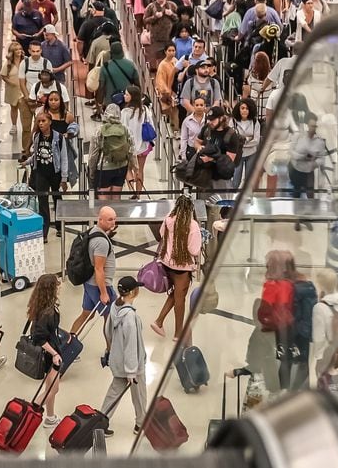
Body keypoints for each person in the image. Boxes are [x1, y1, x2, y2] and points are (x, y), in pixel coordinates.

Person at [101, 277, 148, 436]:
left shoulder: (115, 306)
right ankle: (140, 424)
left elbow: (107, 330)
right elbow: (131, 345)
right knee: (139, 395)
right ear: (134, 292)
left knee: (113, 393)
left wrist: (113, 350)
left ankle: (101, 422)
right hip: (133, 366)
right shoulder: (130, 317)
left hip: (117, 360)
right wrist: (132, 371)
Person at [150, 196, 201, 341]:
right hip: (182, 267)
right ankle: (178, 334)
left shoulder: (168, 220)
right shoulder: (192, 225)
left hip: (167, 263)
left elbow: (161, 234)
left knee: (176, 294)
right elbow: (194, 250)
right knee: (180, 300)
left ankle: (159, 322)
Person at [69, 206, 117, 342]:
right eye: (109, 220)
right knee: (110, 319)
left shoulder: (94, 232)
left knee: (86, 315)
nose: (113, 222)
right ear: (100, 220)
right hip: (100, 285)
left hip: (90, 283)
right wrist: (103, 292)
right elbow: (99, 269)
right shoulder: (101, 242)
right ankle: (111, 352)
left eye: (114, 219)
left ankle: (68, 345)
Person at [21, 112, 69, 242]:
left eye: (43, 121)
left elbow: (64, 158)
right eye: (38, 121)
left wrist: (64, 178)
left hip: (55, 173)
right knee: (42, 202)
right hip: (41, 173)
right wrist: (27, 162)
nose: (40, 123)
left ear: (50, 121)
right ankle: (44, 231)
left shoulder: (58, 138)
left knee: (57, 199)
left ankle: (60, 226)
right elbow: (36, 155)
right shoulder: (37, 136)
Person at [28, 274, 65, 428]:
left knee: (49, 385)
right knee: (53, 389)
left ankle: (50, 417)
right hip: (50, 355)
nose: (60, 286)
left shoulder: (41, 305)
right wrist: (54, 354)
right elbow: (39, 337)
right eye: (58, 285)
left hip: (50, 352)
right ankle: (29, 412)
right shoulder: (48, 312)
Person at [259, 250, 297, 392]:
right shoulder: (290, 284)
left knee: (280, 359)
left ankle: (282, 389)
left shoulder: (271, 286)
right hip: (291, 325)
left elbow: (264, 310)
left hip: (276, 327)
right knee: (288, 359)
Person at [312, 269, 338, 390]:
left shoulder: (319, 307)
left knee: (323, 381)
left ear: (321, 285)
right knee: (335, 374)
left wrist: (318, 355)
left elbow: (318, 336)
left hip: (326, 351)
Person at [89, 104, 137, 200]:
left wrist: (91, 172)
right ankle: (115, 214)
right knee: (116, 196)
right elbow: (132, 150)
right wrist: (134, 167)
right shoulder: (125, 129)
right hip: (121, 167)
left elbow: (93, 155)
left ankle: (106, 214)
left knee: (103, 198)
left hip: (104, 168)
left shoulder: (99, 130)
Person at [196, 106, 243, 189]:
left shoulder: (231, 135)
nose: (210, 122)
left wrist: (211, 159)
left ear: (221, 118)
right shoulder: (207, 129)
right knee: (203, 201)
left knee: (221, 201)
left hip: (221, 178)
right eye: (209, 119)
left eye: (213, 120)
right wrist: (199, 147)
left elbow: (229, 160)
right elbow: (196, 141)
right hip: (205, 176)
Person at [18, 41, 52, 156]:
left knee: (41, 126)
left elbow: (50, 83)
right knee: (26, 127)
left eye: (38, 51)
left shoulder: (47, 63)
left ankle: (40, 149)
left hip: (42, 102)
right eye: (33, 51)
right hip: (26, 100)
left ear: (41, 51)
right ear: (29, 51)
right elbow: (22, 82)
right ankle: (26, 150)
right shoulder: (24, 63)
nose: (36, 53)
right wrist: (28, 98)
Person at [120, 86, 154, 198]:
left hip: (129, 146)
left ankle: (131, 191)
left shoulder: (125, 112)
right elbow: (152, 126)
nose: (124, 96)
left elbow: (122, 129)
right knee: (140, 169)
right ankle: (139, 194)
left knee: (127, 169)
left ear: (132, 97)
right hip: (143, 146)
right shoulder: (145, 110)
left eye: (126, 94)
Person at [143, 0, 180, 66]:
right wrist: (155, 17)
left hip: (169, 37)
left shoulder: (172, 5)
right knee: (157, 58)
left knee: (168, 59)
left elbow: (178, 19)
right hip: (155, 38)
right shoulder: (151, 6)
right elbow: (145, 20)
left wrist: (171, 15)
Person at [99, 42, 140, 112]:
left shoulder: (105, 67)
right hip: (127, 104)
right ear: (122, 52)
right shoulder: (131, 65)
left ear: (111, 53)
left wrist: (100, 102)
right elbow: (137, 85)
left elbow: (101, 87)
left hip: (110, 104)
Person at [230, 98, 261, 189]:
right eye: (242, 108)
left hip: (252, 153)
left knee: (249, 179)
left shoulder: (255, 122)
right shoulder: (233, 122)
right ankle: (233, 198)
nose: (244, 111)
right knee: (236, 178)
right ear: (238, 109)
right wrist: (248, 139)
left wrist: (243, 142)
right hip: (238, 154)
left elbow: (256, 140)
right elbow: (232, 139)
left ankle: (249, 198)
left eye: (247, 108)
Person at [1, 41, 25, 135]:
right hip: (12, 89)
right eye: (16, 49)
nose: (19, 51)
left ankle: (25, 127)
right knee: (14, 108)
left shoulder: (25, 61)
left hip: (23, 89)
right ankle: (14, 125)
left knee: (24, 109)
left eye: (20, 49)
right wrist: (11, 83)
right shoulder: (8, 64)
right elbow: (3, 75)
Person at [155, 45, 179, 131]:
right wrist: (166, 91)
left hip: (175, 90)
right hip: (166, 92)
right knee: (167, 112)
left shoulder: (175, 61)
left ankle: (176, 129)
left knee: (175, 111)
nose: (172, 52)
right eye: (169, 50)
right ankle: (167, 131)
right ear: (165, 51)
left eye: (173, 50)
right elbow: (160, 80)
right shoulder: (162, 65)